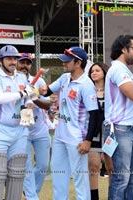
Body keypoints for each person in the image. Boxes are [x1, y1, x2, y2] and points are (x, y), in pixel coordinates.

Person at [39, 46, 99, 200]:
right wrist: (35, 89)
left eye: (67, 61)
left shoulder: (86, 85)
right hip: (60, 136)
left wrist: (88, 141)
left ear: (78, 63)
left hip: (77, 139)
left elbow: (95, 114)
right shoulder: (65, 78)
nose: (64, 64)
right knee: (58, 176)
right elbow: (46, 92)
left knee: (80, 179)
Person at [0, 45, 37, 200]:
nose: (13, 62)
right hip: (0, 130)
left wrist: (29, 101)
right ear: (0, 61)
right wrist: (22, 93)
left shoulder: (22, 78)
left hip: (20, 130)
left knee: (17, 175)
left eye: (15, 58)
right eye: (9, 59)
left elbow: (30, 96)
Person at [104, 34, 133, 199]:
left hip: (129, 129)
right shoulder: (118, 69)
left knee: (131, 180)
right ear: (124, 49)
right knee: (122, 178)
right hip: (121, 129)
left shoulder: (122, 70)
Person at [16, 52, 51, 200]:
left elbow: (48, 104)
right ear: (16, 63)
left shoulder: (39, 81)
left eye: (28, 63)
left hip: (40, 130)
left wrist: (33, 97)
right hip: (21, 130)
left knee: (43, 166)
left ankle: (30, 193)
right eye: (22, 62)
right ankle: (32, 197)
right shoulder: (12, 80)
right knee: (26, 167)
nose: (25, 65)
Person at [87, 62, 112, 200]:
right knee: (93, 168)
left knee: (111, 169)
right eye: (92, 71)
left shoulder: (112, 90)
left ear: (104, 72)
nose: (94, 73)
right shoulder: (87, 89)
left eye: (97, 70)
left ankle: (112, 196)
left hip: (109, 134)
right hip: (93, 134)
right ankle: (94, 197)